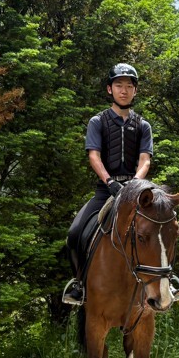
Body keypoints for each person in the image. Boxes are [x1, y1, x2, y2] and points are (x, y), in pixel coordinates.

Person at [63, 63, 153, 306]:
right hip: (106, 191)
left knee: (161, 228)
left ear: (135, 91)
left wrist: (134, 184)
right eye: (118, 85)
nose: (124, 90)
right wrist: (110, 182)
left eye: (129, 86)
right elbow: (94, 156)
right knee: (74, 234)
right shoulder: (97, 122)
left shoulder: (143, 125)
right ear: (109, 89)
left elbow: (145, 160)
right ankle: (80, 285)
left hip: (136, 192)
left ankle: (167, 281)